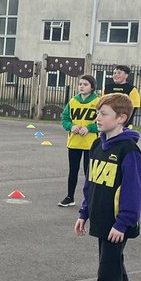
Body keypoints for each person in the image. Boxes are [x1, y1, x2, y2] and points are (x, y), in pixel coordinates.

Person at [75, 92, 141, 281]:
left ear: (122, 118)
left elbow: (134, 192)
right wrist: (84, 213)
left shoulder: (129, 151)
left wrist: (123, 223)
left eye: (103, 114)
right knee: (116, 270)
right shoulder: (97, 145)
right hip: (101, 220)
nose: (97, 118)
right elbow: (90, 185)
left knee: (108, 274)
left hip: (117, 225)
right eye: (97, 113)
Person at [58, 74, 99, 207]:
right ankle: (70, 197)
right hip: (74, 142)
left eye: (85, 84)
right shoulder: (73, 101)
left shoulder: (98, 102)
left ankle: (90, 198)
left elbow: (102, 121)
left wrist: (89, 128)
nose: (82, 86)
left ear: (92, 87)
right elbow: (64, 119)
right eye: (80, 84)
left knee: (90, 172)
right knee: (73, 170)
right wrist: (71, 126)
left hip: (90, 143)